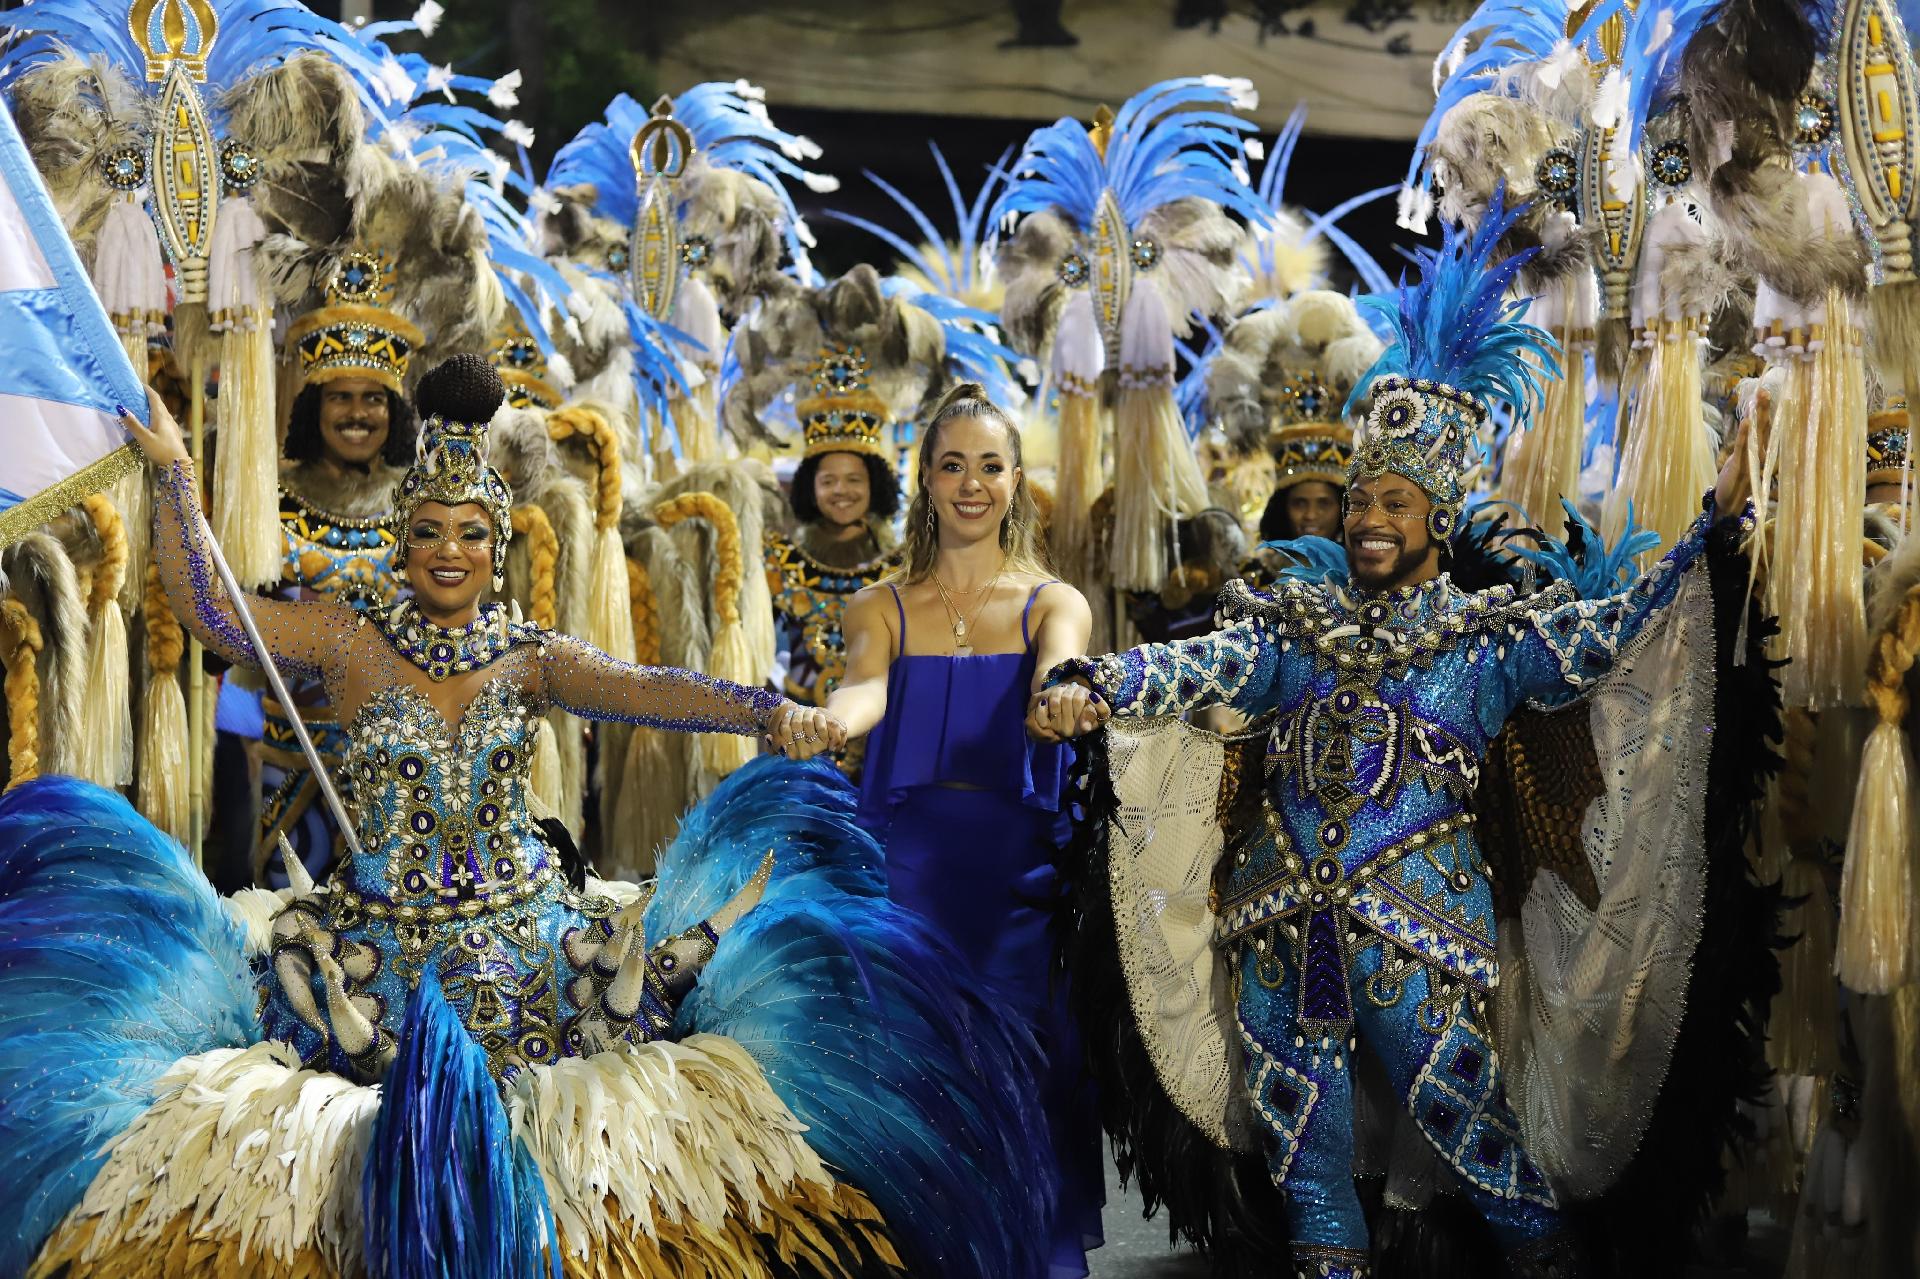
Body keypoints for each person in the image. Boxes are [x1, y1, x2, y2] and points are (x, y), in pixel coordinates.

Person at [0, 354, 1057, 1279]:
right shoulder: (346, 639)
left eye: (468, 533)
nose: (446, 553)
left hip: (535, 955)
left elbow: (654, 689)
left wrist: (772, 713)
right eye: (426, 532)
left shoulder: (531, 655)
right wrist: (176, 478)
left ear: (497, 542)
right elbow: (216, 612)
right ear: (400, 536)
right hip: (373, 961)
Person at [1034, 202, 1769, 1278]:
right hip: (1280, 928)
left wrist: (1711, 520)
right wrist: (1096, 678)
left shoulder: (1489, 639)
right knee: (1307, 1165)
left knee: (1475, 1134)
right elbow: (1193, 667)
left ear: (1438, 516)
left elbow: (1616, 637)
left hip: (1424, 936)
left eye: (1394, 500)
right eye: (1359, 499)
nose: (1368, 516)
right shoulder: (1294, 630)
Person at [799, 383, 1107, 1278]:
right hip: (909, 881)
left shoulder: (1056, 601)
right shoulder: (880, 606)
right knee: (917, 1079)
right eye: (951, 465)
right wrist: (831, 719)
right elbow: (865, 689)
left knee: (1024, 1081)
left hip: (1018, 887)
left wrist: (1062, 698)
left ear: (1017, 482)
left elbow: (1064, 666)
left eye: (990, 466)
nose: (971, 484)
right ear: (926, 480)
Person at [216, 249, 425, 887]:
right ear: (314, 408)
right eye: (340, 398)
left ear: (394, 413)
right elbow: (236, 634)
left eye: (373, 399)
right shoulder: (266, 506)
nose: (358, 414)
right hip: (286, 761)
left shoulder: (424, 504)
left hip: (400, 769)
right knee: (290, 939)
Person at [764, 346, 906, 732]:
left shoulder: (907, 564)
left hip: (887, 730)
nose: (841, 491)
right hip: (797, 734)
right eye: (828, 481)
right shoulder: (777, 559)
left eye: (854, 479)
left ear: (874, 486)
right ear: (810, 488)